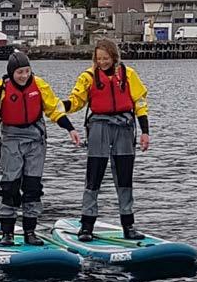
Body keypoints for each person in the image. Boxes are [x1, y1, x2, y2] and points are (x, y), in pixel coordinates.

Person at [0, 51, 81, 246]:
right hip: (11, 140)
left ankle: (30, 232)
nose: (24, 76)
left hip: (35, 140)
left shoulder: (40, 85)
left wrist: (70, 129)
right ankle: (7, 233)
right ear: (11, 73)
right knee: (10, 186)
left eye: (27, 71)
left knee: (33, 187)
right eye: (19, 72)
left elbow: (55, 109)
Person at [63, 38, 150, 241]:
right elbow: (76, 101)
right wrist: (57, 107)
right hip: (99, 127)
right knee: (94, 177)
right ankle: (86, 226)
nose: (102, 62)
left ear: (114, 57)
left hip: (124, 128)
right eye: (98, 58)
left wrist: (145, 131)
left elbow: (140, 103)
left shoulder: (128, 75)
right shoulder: (88, 77)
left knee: (124, 178)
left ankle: (128, 226)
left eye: (106, 58)